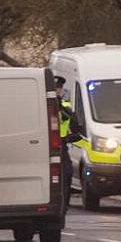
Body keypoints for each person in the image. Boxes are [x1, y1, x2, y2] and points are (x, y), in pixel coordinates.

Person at [54, 76, 76, 213]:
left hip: (62, 144)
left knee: (67, 174)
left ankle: (64, 205)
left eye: (60, 88)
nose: (58, 90)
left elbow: (72, 120)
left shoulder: (65, 104)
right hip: (45, 145)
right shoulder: (42, 102)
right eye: (56, 88)